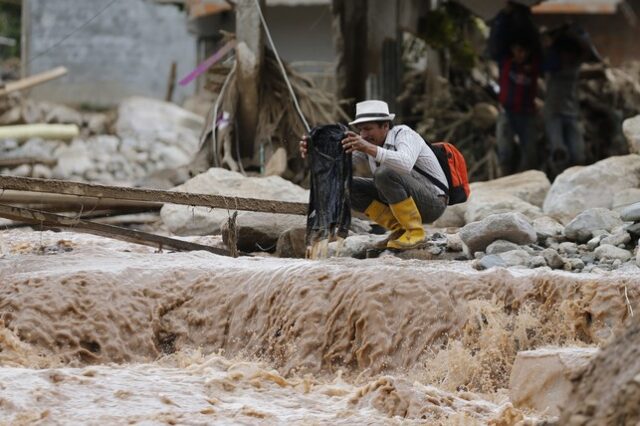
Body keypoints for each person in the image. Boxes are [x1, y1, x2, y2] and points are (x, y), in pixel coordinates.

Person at [300, 100, 448, 250]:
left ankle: (415, 233)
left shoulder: (405, 134)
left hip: (433, 202)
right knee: (347, 186)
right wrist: (315, 152)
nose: (364, 135)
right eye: (361, 130)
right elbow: (337, 162)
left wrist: (368, 148)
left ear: (385, 126)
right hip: (405, 199)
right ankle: (399, 230)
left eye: (368, 129)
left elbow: (405, 163)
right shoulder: (368, 143)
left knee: (384, 172)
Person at [489, 2, 541, 175]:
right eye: (517, 50)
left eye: (523, 51)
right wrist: (505, 15)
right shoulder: (506, 63)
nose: (520, 54)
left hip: (526, 114)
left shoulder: (533, 66)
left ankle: (525, 178)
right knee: (504, 151)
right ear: (512, 50)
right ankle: (505, 179)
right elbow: (496, 41)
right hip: (507, 112)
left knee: (531, 152)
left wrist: (523, 15)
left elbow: (537, 43)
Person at [541, 24, 595, 174]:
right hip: (553, 113)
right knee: (559, 152)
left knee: (578, 154)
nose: (568, 57)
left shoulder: (576, 65)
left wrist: (573, 31)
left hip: (571, 113)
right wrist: (555, 39)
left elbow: (587, 49)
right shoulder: (552, 64)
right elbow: (546, 57)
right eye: (565, 53)